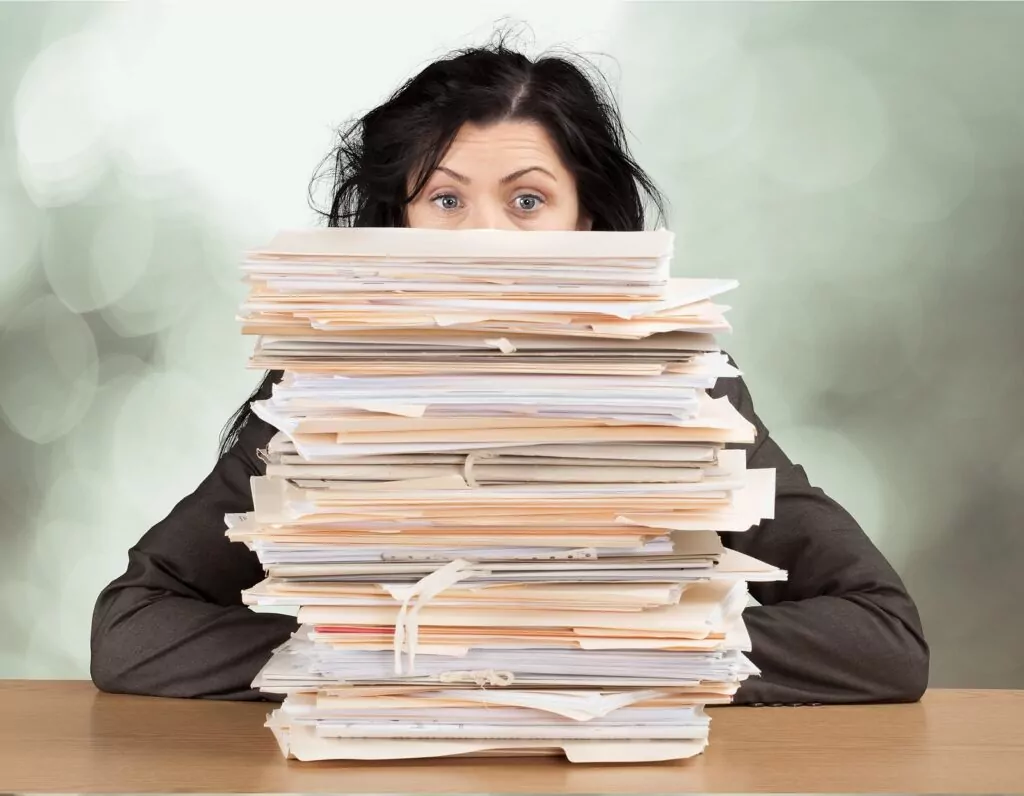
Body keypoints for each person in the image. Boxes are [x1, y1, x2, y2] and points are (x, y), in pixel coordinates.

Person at [90, 40, 929, 706]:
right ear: (402, 223)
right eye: (446, 201)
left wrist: (605, 654)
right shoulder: (321, 399)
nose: (481, 239)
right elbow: (133, 628)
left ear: (585, 219)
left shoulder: (685, 389)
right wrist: (378, 656)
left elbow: (882, 638)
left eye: (527, 201)